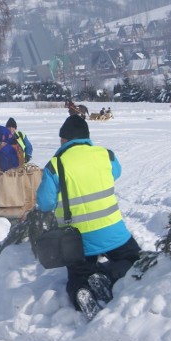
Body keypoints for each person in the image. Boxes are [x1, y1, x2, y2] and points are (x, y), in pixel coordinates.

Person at [35, 114, 141, 321]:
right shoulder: (105, 155)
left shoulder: (56, 165)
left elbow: (45, 202)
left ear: (64, 140)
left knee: (78, 274)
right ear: (85, 137)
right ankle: (108, 276)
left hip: (76, 239)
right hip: (112, 231)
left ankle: (81, 292)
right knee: (134, 259)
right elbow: (116, 173)